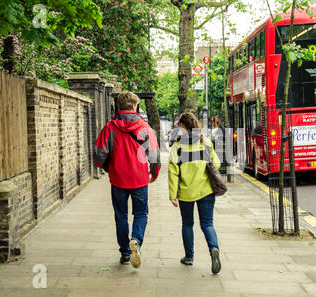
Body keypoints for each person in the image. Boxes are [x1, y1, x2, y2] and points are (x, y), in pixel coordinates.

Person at [93, 91, 161, 269]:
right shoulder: (145, 128)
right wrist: (155, 171)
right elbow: (153, 153)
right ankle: (136, 240)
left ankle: (125, 252)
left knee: (121, 216)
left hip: (118, 179)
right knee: (141, 213)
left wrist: (105, 166)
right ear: (133, 106)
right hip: (139, 179)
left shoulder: (110, 127)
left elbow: (99, 152)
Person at [168, 112, 222, 274]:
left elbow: (173, 172)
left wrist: (173, 194)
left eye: (179, 127)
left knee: (187, 224)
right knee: (207, 224)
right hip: (206, 191)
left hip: (186, 192)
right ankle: (214, 249)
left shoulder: (178, 146)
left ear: (183, 126)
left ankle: (189, 257)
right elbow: (216, 164)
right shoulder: (205, 142)